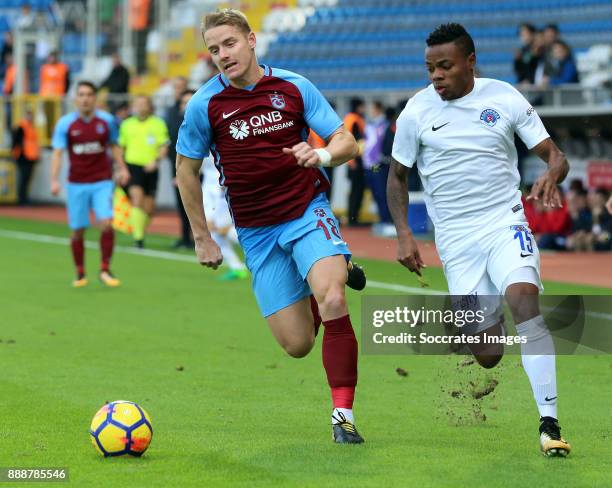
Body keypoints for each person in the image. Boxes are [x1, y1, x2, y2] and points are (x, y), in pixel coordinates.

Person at [176, 8, 366, 444]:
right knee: (297, 344)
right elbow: (185, 171)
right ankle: (330, 269)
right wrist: (202, 238)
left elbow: (347, 142)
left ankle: (343, 418)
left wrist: (319, 156)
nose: (223, 55)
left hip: (305, 209)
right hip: (258, 233)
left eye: (229, 44)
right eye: (213, 49)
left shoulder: (294, 87)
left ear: (251, 40)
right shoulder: (205, 104)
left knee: (334, 297)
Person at [387, 23, 572, 457]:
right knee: (488, 352)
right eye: (431, 67)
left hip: (504, 220)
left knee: (525, 300)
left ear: (470, 62)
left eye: (445, 66)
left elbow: (555, 156)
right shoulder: (416, 112)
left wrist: (550, 174)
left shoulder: (504, 97)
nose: (436, 75)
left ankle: (549, 422)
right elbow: (397, 176)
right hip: (455, 238)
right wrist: (403, 233)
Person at [50, 81, 130, 287]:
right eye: (81, 94)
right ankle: (80, 272)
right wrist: (54, 180)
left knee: (106, 223)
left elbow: (114, 146)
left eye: (89, 94)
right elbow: (58, 153)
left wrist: (122, 168)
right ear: (76, 98)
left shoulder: (106, 121)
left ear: (95, 98)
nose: (85, 98)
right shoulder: (65, 124)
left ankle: (105, 269)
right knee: (78, 230)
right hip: (76, 183)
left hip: (101, 181)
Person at [119, 94, 169, 248]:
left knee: (149, 208)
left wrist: (156, 160)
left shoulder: (158, 123)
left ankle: (138, 229)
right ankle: (138, 239)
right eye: (138, 104)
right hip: (132, 166)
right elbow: (121, 148)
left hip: (151, 167)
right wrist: (120, 168)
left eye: (144, 103)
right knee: (137, 199)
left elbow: (164, 146)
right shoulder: (126, 124)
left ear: (149, 106)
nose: (141, 107)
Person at [164, 77, 193, 249]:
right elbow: (171, 139)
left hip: (200, 167)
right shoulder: (171, 112)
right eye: (175, 87)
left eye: (180, 87)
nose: (177, 90)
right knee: (183, 203)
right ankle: (185, 237)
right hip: (177, 164)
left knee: (203, 203)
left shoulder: (197, 110)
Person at [363, 100, 394, 237]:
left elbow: (380, 144)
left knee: (381, 192)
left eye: (374, 109)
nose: (372, 112)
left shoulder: (384, 125)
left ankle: (387, 221)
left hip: (378, 164)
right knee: (375, 193)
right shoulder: (370, 125)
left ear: (379, 109)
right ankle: (382, 220)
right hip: (368, 164)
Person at [344, 98, 366, 226]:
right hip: (355, 161)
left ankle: (354, 217)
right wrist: (352, 162)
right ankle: (353, 218)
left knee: (357, 190)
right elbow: (350, 141)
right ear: (358, 106)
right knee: (356, 190)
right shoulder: (353, 120)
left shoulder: (351, 118)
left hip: (355, 160)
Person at [11, 107, 40, 205]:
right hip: (23, 157)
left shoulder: (31, 127)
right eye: (28, 114)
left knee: (27, 178)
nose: (29, 117)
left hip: (31, 156)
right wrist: (16, 155)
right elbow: (15, 142)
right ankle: (21, 199)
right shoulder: (21, 126)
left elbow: (33, 143)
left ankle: (24, 198)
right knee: (23, 178)